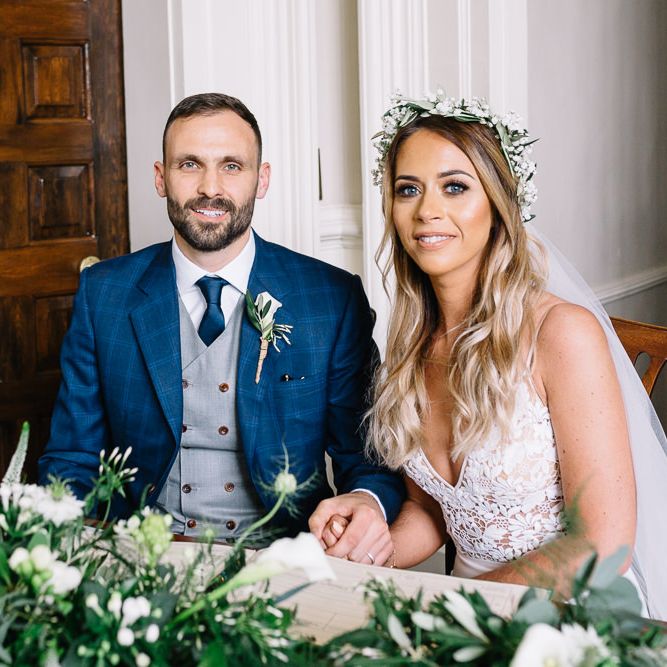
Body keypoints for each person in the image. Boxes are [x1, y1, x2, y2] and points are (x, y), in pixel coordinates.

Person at [318, 91, 667, 619]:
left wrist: (461, 606)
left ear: (499, 205)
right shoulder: (411, 345)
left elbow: (601, 545)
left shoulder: (562, 334)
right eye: (408, 189)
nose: (427, 211)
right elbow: (431, 512)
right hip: (464, 615)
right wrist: (365, 545)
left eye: (455, 187)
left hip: (571, 613)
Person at [38, 92, 404, 545]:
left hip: (283, 557)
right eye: (189, 164)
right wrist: (71, 552)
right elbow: (72, 458)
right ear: (160, 177)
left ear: (261, 179)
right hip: (141, 554)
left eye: (231, 166)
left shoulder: (331, 299)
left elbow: (368, 461)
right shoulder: (104, 294)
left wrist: (366, 501)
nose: (210, 188)